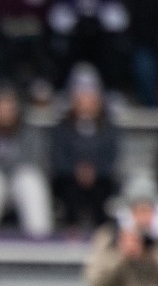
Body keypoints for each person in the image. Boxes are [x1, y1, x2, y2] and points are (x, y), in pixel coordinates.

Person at [0, 84, 54, 239]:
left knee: (29, 178)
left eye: (9, 107)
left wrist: (2, 164)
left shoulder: (30, 133)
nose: (4, 112)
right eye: (0, 107)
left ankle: (40, 241)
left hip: (19, 184)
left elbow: (36, 164)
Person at [49, 64, 120, 232]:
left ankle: (102, 232)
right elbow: (57, 156)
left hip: (100, 177)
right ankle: (71, 229)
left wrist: (94, 170)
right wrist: (76, 170)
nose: (86, 101)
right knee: (69, 188)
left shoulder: (108, 128)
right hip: (69, 176)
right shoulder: (62, 127)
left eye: (91, 96)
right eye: (82, 96)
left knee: (103, 189)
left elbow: (112, 156)